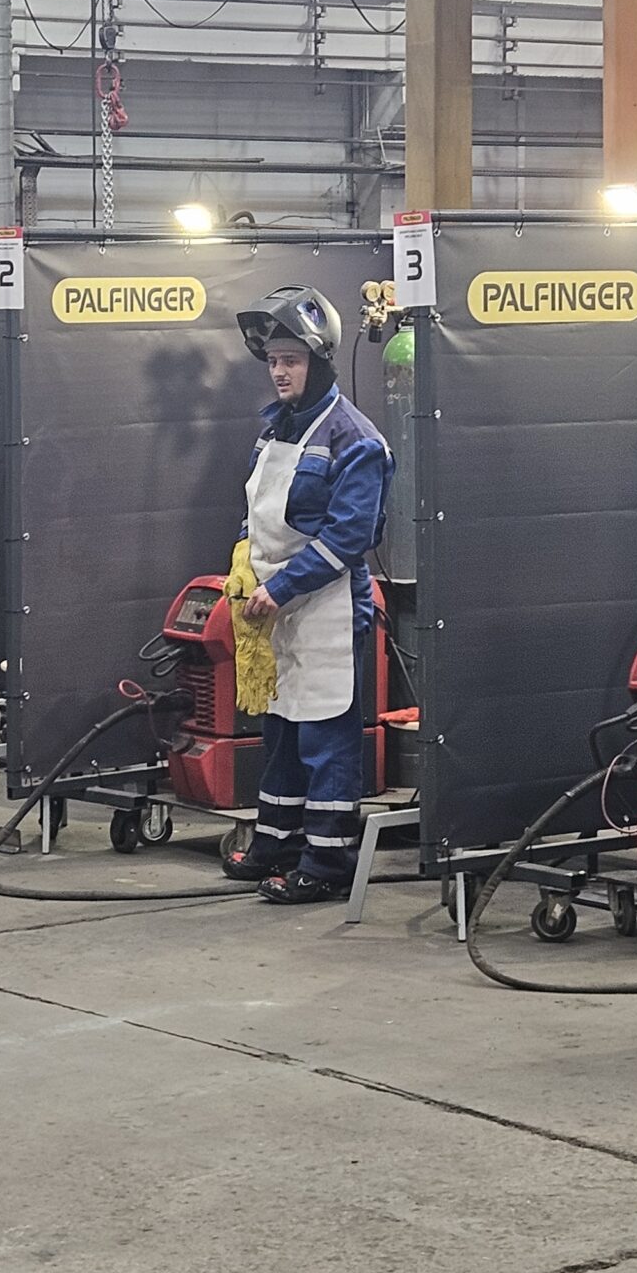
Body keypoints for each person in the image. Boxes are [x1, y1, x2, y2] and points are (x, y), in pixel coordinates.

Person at [227, 285, 393, 905]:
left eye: (291, 360)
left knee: (325, 737)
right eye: (273, 360)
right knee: (281, 730)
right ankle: (276, 843)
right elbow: (256, 511)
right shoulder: (274, 429)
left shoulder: (357, 440)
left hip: (326, 611)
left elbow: (350, 536)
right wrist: (245, 566)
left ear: (319, 361)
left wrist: (282, 588)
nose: (279, 371)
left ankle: (327, 862)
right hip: (272, 608)